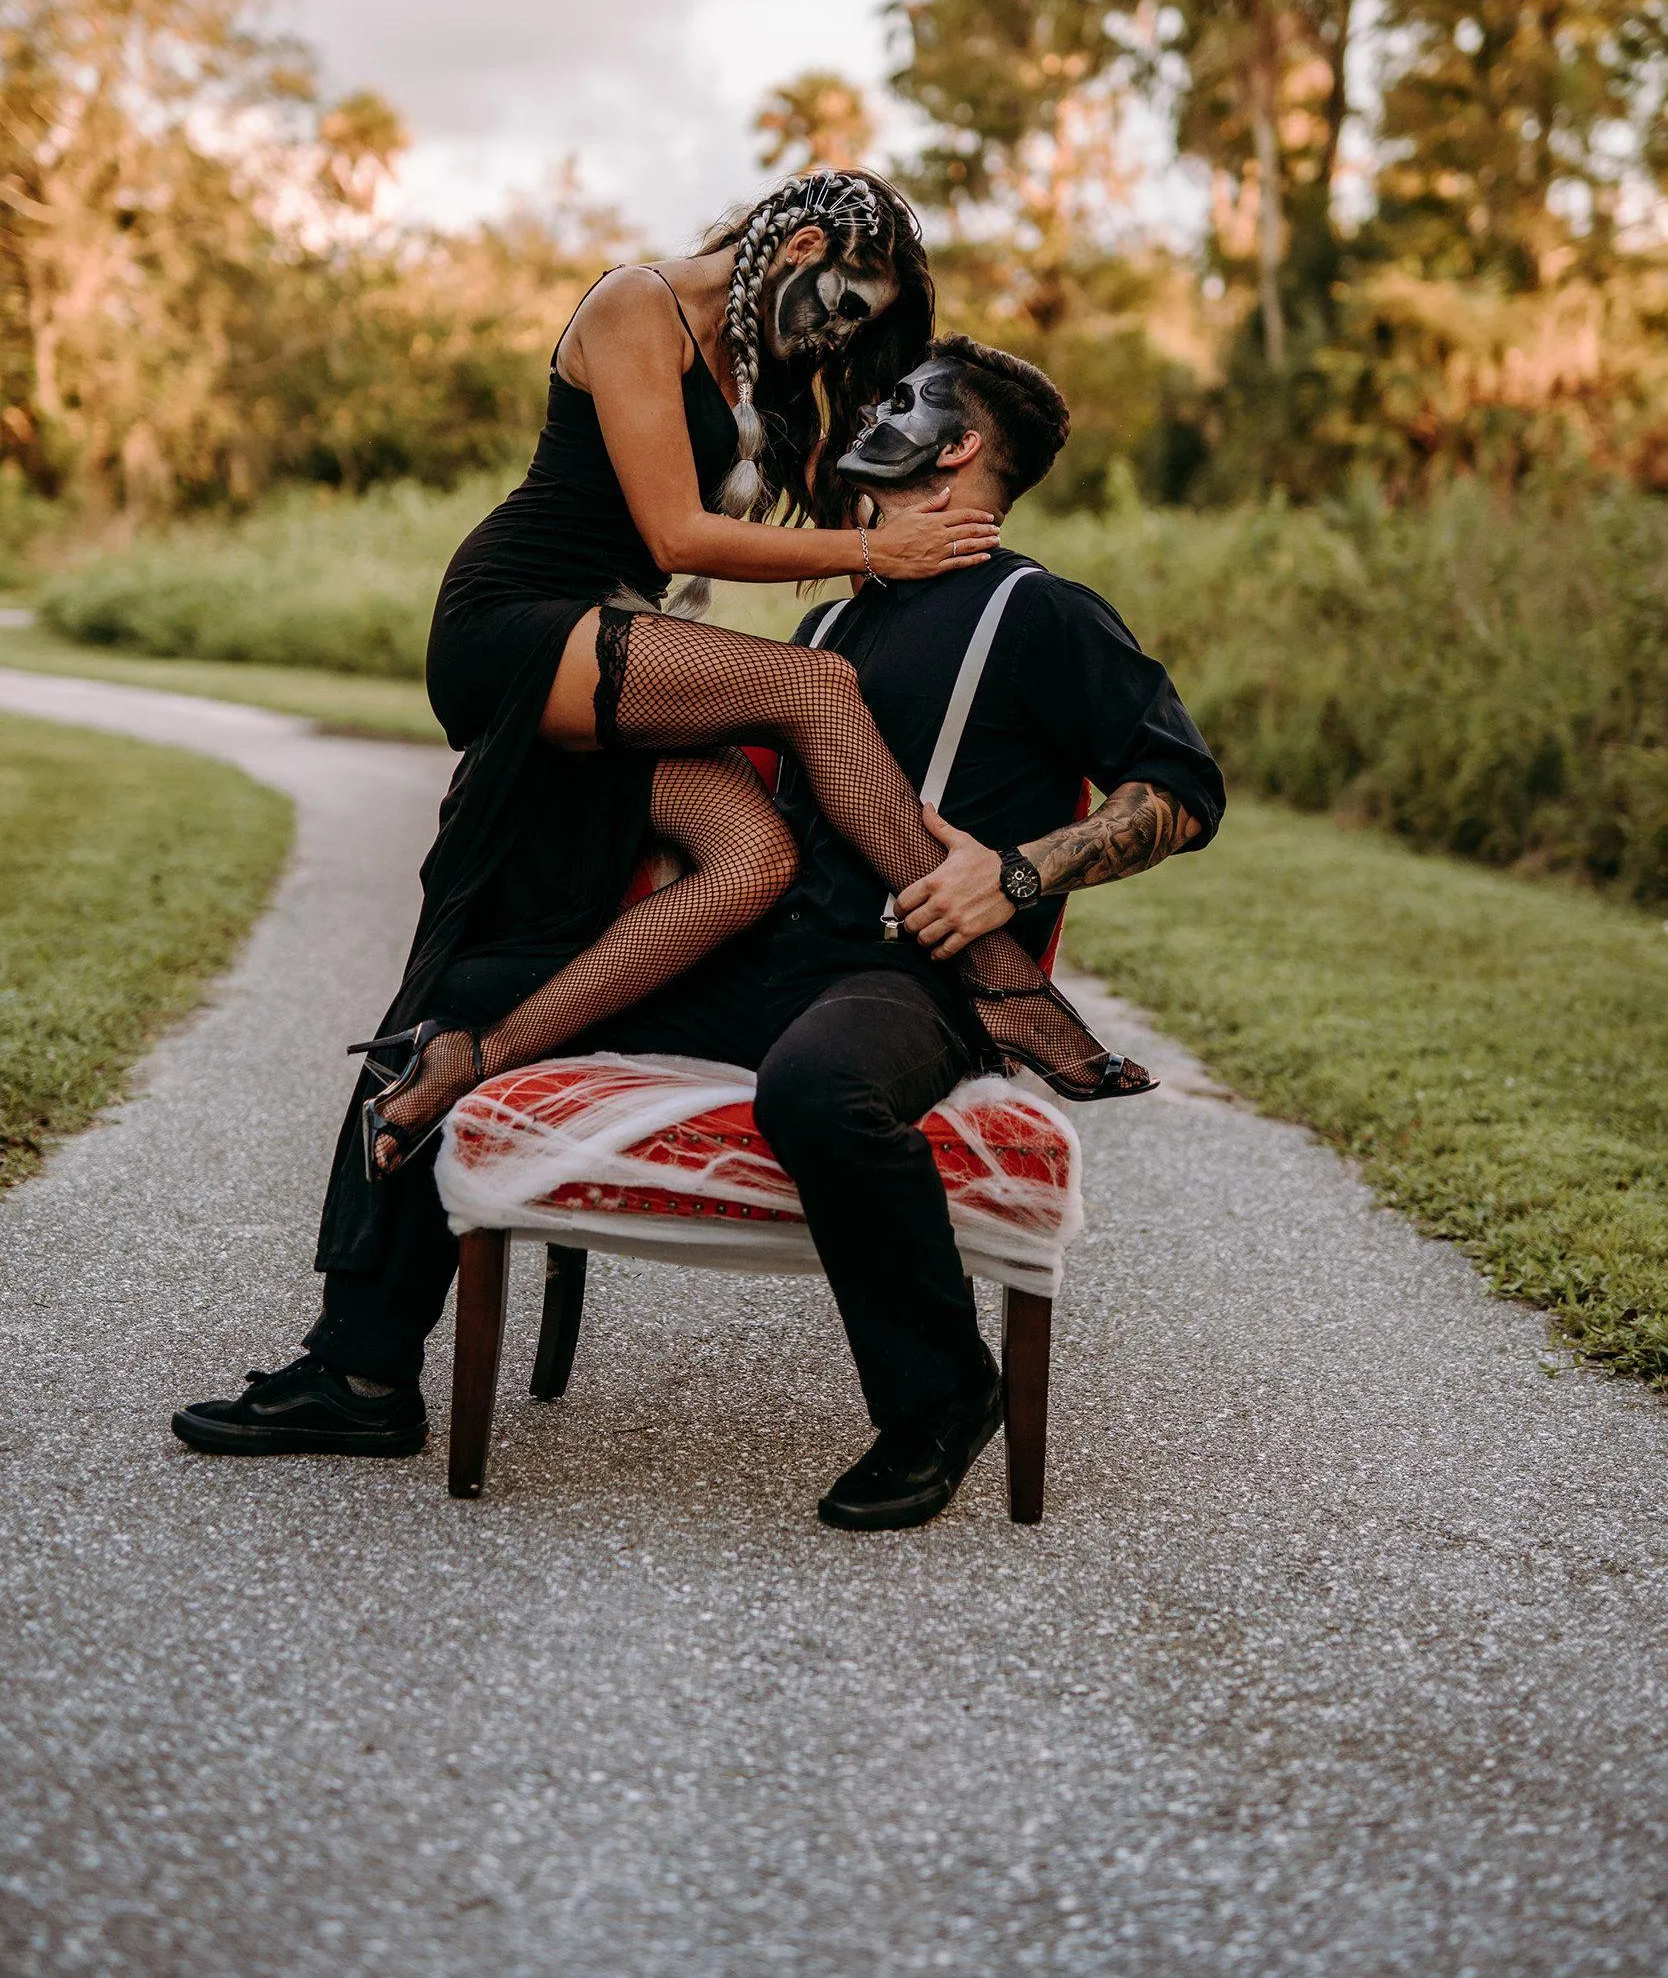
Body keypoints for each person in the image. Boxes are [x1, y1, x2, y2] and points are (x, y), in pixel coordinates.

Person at [175, 335, 1225, 1530]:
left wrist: (1023, 876)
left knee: (822, 1088)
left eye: (900, 397)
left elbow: (1185, 789)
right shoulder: (832, 625)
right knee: (457, 989)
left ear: (961, 443)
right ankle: (359, 1370)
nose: (870, 412)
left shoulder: (1040, 612)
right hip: (762, 956)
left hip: (904, 980)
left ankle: (940, 1397)